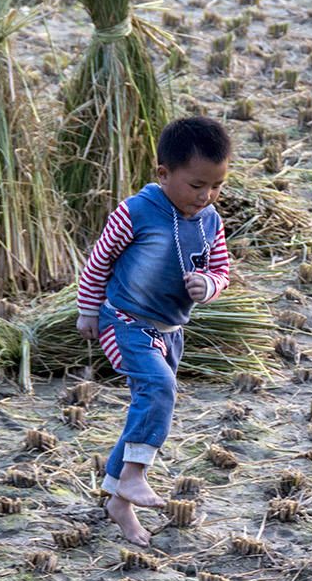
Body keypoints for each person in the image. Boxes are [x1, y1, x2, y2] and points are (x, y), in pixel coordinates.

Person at [76, 116, 232, 545]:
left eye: (217, 186)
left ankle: (118, 501)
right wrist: (88, 310)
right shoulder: (136, 212)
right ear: (164, 174)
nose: (206, 196)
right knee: (160, 388)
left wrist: (209, 286)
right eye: (197, 185)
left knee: (145, 408)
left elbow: (222, 271)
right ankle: (134, 474)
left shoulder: (210, 220)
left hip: (170, 330)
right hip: (125, 321)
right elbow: (100, 260)